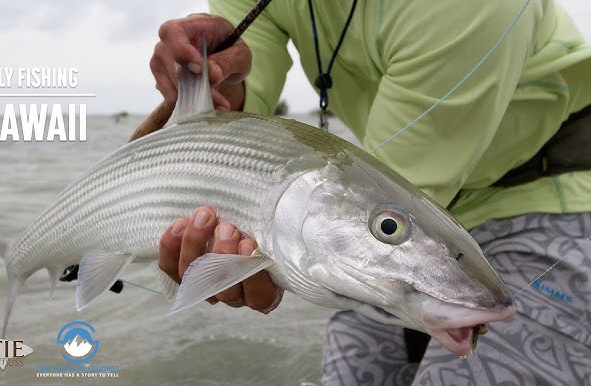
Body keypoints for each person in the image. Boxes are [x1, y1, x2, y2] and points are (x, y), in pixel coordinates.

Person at [149, 1, 591, 384]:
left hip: (546, 192)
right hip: (414, 213)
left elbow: (382, 201)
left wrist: (271, 250)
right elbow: (249, 99)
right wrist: (218, 83)